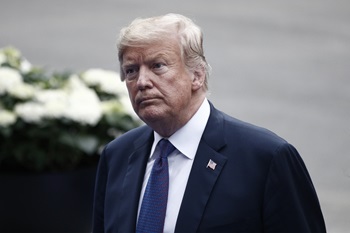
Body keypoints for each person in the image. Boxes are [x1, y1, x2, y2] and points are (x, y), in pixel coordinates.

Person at [92, 13, 326, 233]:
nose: (142, 81)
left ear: (197, 75)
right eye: (131, 70)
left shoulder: (266, 159)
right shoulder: (117, 156)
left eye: (158, 66)